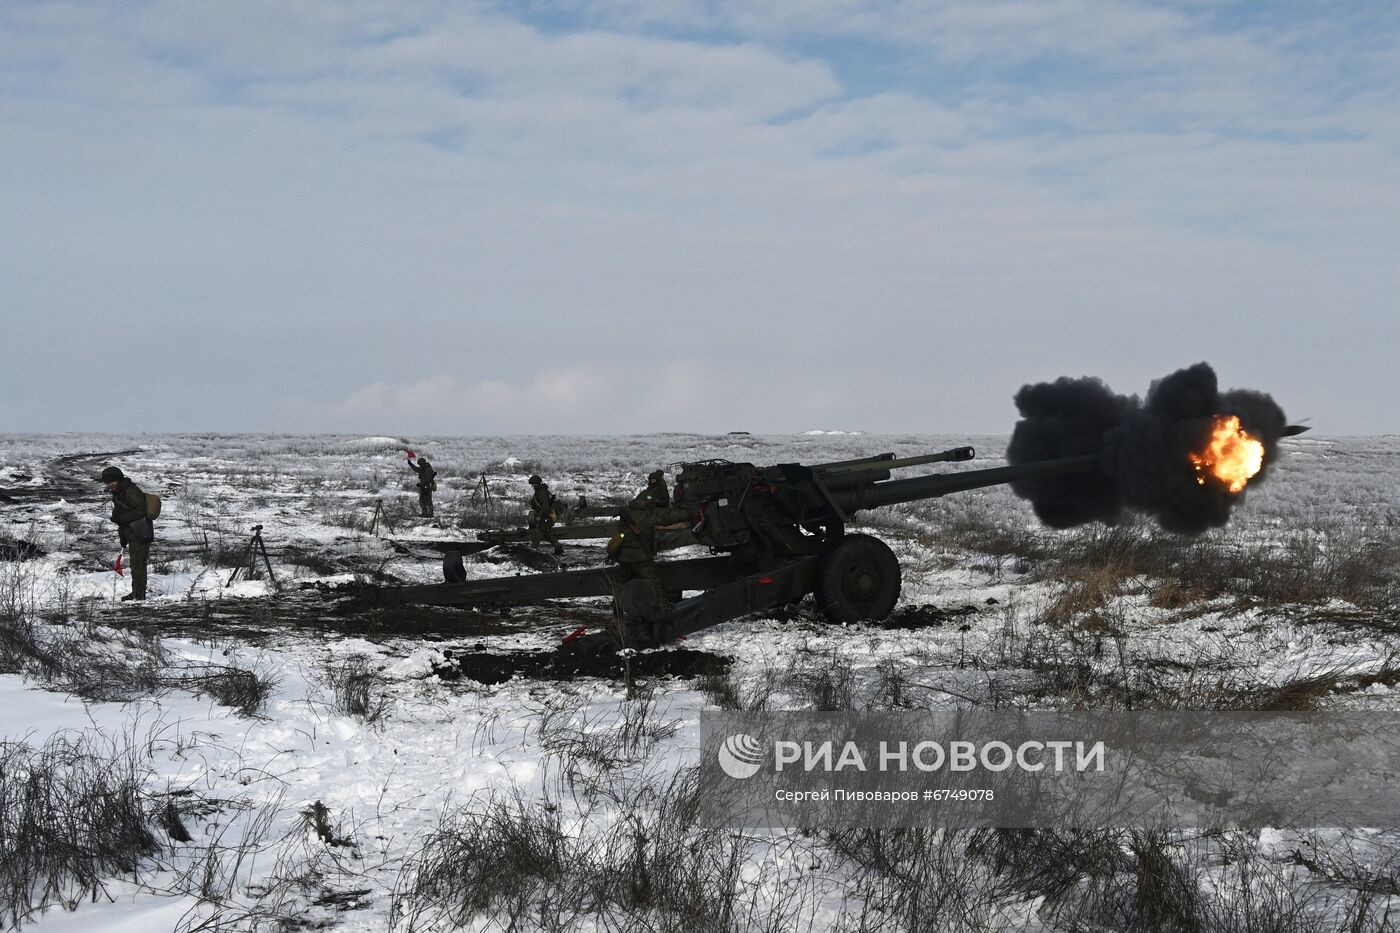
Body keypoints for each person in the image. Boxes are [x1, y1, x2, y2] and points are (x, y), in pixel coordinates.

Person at [101, 466, 153, 601]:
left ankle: (139, 594)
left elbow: (140, 511)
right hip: (131, 532)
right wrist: (122, 536)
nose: (110, 484)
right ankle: (137, 592)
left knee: (138, 564)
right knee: (135, 565)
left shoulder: (131, 491)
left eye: (112, 481)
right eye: (108, 482)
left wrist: (120, 518)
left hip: (141, 532)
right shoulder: (119, 492)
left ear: (119, 479)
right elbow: (122, 517)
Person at [527, 474, 564, 555]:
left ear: (537, 483)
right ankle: (558, 548)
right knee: (547, 534)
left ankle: (532, 549)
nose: (532, 486)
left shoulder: (542, 492)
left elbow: (545, 506)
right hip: (545, 516)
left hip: (545, 516)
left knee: (539, 533)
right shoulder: (540, 491)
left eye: (533, 484)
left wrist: (540, 515)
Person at [407, 452, 437, 517]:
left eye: (420, 464)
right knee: (423, 500)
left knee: (426, 500)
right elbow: (420, 471)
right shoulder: (426, 467)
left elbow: (418, 470)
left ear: (421, 463)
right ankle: (425, 513)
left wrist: (410, 464)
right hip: (425, 485)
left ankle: (429, 513)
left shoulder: (425, 468)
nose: (419, 465)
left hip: (426, 486)